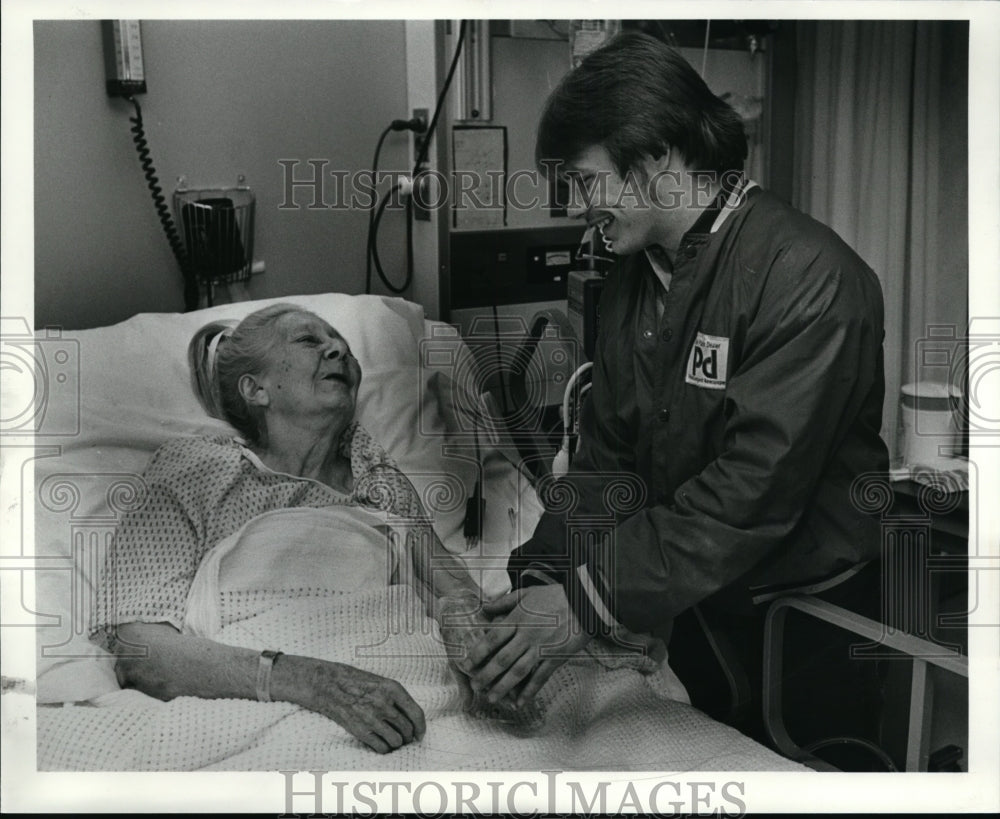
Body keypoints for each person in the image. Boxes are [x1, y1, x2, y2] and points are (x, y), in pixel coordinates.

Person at [463, 32, 889, 744]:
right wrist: (544, 577)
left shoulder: (811, 281)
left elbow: (747, 496)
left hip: (805, 618)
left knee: (811, 770)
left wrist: (586, 601)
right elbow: (605, 459)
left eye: (589, 180)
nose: (579, 207)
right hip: (692, 602)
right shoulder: (635, 284)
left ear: (657, 155)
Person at [91, 303, 485, 755]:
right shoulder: (194, 470)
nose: (338, 350)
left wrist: (467, 630)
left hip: (406, 686)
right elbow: (141, 650)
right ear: (256, 389)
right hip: (255, 702)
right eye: (309, 341)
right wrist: (317, 683)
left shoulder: (375, 473)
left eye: (342, 344)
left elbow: (450, 584)